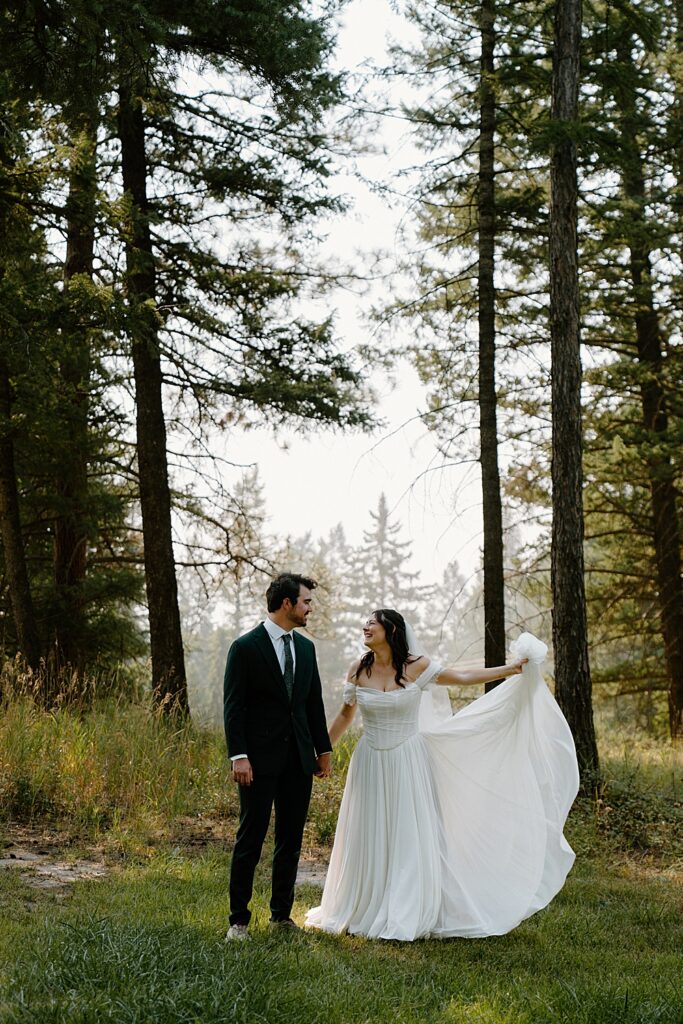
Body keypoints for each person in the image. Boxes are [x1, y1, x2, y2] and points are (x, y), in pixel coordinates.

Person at [305, 609, 579, 941]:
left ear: (391, 630)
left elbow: (461, 677)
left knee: (407, 833)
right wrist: (323, 752)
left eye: (372, 623)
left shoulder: (417, 666)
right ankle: (362, 902)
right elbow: (345, 717)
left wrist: (509, 669)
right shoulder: (358, 670)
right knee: (369, 829)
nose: (365, 627)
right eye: (364, 623)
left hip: (408, 759)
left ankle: (407, 906)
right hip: (370, 763)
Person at [224, 572, 332, 940]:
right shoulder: (245, 647)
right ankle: (238, 921)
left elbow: (311, 703)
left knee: (291, 840)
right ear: (286, 603)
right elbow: (234, 708)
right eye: (306, 602)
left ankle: (281, 916)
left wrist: (324, 749)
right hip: (256, 761)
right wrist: (239, 755)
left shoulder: (306, 648)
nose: (309, 609)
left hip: (298, 760)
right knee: (250, 838)